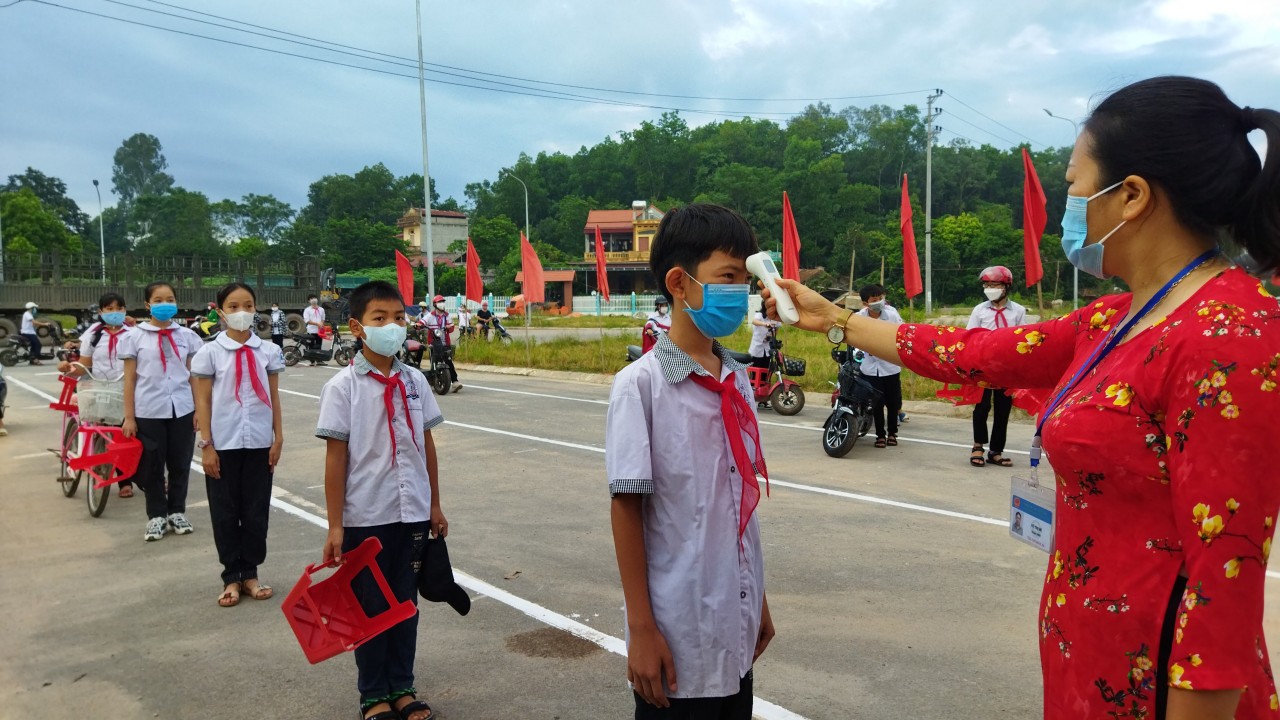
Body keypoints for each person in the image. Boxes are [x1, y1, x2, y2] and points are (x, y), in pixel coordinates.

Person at [761, 76, 1280, 720]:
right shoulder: (1118, 318)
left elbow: (1222, 587)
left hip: (1158, 685)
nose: (1069, 203)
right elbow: (975, 356)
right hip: (1089, 658)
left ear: (1133, 197)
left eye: (1073, 185)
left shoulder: (1229, 337)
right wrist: (834, 318)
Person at [607, 203, 774, 720]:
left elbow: (737, 500)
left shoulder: (736, 377)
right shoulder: (641, 386)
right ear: (680, 284)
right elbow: (627, 507)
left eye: (743, 279)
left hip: (735, 621)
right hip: (676, 633)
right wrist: (641, 628)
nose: (739, 293)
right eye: (727, 277)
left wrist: (759, 600)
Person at [316, 280, 448, 720]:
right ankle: (374, 694)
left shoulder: (414, 381)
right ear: (357, 326)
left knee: (405, 605)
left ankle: (402, 686)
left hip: (411, 513)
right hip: (365, 515)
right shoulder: (343, 387)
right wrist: (336, 526)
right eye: (379, 319)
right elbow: (336, 461)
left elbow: (425, 447)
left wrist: (434, 505)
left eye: (398, 318)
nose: (391, 327)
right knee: (370, 606)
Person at [191, 283, 284, 608]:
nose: (241, 312)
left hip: (259, 443)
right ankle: (232, 576)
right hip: (224, 443)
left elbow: (273, 396)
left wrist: (278, 437)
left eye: (247, 305)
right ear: (220, 311)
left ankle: (252, 573)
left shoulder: (268, 351)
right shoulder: (209, 353)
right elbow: (202, 400)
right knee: (225, 513)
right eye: (233, 306)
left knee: (256, 512)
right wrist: (206, 445)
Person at [120, 282, 204, 542]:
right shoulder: (134, 337)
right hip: (149, 410)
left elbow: (194, 377)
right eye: (158, 300)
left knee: (180, 463)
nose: (164, 304)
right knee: (152, 465)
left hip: (182, 409)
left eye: (169, 299)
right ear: (148, 305)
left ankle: (177, 511)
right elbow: (130, 379)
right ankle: (156, 515)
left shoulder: (187, 336)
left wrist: (200, 410)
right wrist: (130, 417)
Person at [59, 292, 137, 497]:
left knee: (125, 434)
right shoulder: (94, 335)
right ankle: (101, 467)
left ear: (125, 310)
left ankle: (125, 480)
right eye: (109, 309)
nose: (114, 313)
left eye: (119, 308)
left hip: (124, 389)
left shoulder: (133, 334)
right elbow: (85, 365)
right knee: (103, 430)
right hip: (99, 387)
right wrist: (69, 368)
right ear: (101, 312)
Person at [966, 266, 1028, 467]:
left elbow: (1021, 337)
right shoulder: (979, 310)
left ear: (1006, 287)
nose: (989, 288)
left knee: (1003, 409)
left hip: (1006, 367)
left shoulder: (1018, 311)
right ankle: (977, 446)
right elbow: (969, 337)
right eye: (986, 284)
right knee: (981, 407)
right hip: (982, 366)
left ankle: (996, 451)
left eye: (994, 284)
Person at [856, 284, 904, 448]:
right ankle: (880, 435)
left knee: (892, 403)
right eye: (874, 300)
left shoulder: (891, 315)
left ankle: (892, 433)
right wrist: (859, 353)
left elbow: (901, 334)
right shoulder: (859, 318)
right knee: (876, 403)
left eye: (880, 299)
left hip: (890, 366)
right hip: (870, 368)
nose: (879, 302)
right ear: (865, 303)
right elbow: (854, 340)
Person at [423, 295, 461, 392]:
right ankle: (434, 379)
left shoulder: (447, 316)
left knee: (448, 361)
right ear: (435, 304)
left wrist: (449, 327)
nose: (442, 304)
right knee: (434, 361)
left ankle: (455, 382)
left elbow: (452, 326)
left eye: (443, 302)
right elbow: (422, 322)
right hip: (433, 343)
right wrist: (418, 324)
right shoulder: (430, 316)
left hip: (445, 343)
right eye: (440, 302)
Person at [303, 294, 326, 366]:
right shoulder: (307, 310)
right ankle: (312, 360)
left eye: (314, 298)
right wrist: (317, 324)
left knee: (319, 345)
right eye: (311, 298)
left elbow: (323, 319)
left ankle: (319, 360)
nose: (313, 299)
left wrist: (321, 324)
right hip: (311, 330)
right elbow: (307, 320)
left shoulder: (321, 309)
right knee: (311, 345)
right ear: (309, 301)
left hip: (319, 331)